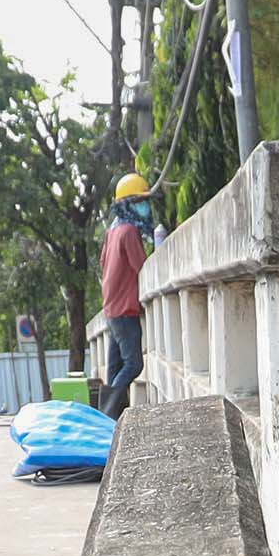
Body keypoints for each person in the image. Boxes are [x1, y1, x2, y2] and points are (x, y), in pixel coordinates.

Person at [94, 174, 155, 417]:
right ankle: (108, 412)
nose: (145, 206)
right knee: (134, 364)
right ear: (128, 204)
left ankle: (108, 419)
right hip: (125, 310)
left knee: (114, 368)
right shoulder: (129, 231)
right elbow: (142, 266)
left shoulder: (113, 230)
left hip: (111, 308)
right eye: (139, 201)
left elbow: (102, 262)